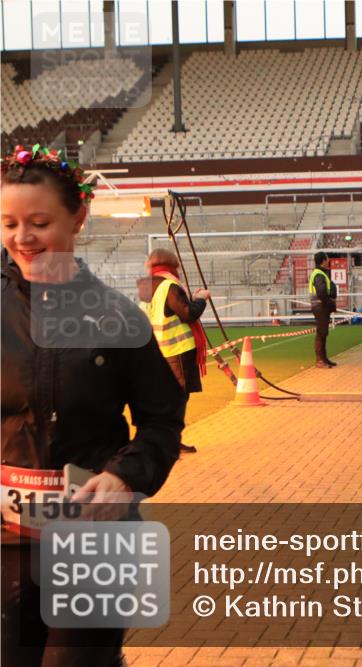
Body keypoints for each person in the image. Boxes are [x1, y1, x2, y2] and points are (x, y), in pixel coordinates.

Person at [1, 144, 183, 666]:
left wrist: (125, 476)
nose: (22, 237)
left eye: (39, 222)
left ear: (78, 216)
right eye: (9, 223)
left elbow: (162, 422)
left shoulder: (118, 317)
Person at [137, 248, 209, 455]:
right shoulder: (169, 285)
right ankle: (169, 441)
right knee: (177, 398)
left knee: (167, 397)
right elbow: (188, 314)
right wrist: (201, 299)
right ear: (173, 265)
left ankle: (166, 440)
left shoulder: (149, 287)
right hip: (177, 350)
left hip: (159, 350)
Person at [309, 251, 338, 368]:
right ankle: (320, 360)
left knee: (323, 333)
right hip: (320, 306)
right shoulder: (319, 274)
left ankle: (324, 358)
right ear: (322, 261)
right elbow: (321, 293)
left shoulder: (320, 273)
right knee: (321, 333)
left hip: (321, 306)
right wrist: (330, 302)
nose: (328, 261)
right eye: (326, 259)